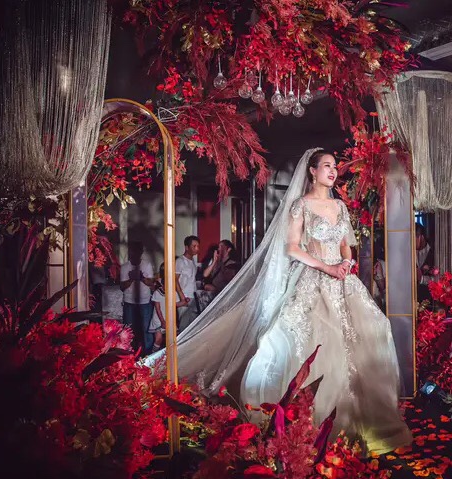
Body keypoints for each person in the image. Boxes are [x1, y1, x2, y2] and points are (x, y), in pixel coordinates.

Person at [152, 148, 411, 454]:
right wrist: (325, 267)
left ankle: (363, 417)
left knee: (372, 329)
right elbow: (292, 248)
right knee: (315, 342)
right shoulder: (301, 205)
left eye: (335, 166)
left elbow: (346, 245)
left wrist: (345, 263)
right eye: (326, 166)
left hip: (343, 281)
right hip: (313, 278)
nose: (333, 171)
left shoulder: (340, 206)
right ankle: (309, 422)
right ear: (312, 171)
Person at [120, 241, 155, 355]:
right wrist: (131, 279)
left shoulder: (147, 265)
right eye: (133, 251)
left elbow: (151, 283)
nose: (134, 254)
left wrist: (141, 277)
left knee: (147, 329)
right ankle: (128, 353)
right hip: (129, 301)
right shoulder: (125, 267)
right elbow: (122, 287)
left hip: (144, 301)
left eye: (137, 251)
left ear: (141, 252)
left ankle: (148, 354)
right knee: (128, 329)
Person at [176, 236, 200, 320]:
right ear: (187, 247)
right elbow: (174, 280)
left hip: (193, 297)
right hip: (184, 298)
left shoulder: (193, 261)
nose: (197, 248)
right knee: (184, 323)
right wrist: (182, 298)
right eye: (194, 246)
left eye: (198, 246)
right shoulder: (180, 261)